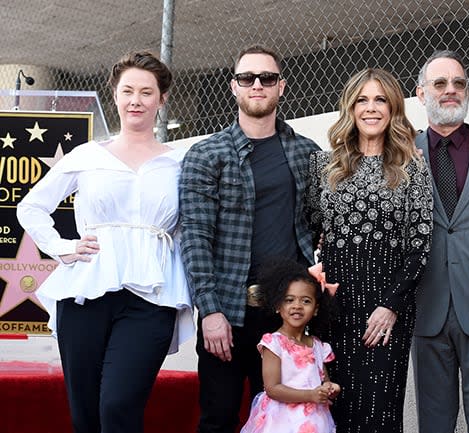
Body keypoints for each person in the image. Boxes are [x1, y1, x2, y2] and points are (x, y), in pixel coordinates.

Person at [16, 51, 194, 433]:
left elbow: (193, 228)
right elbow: (31, 207)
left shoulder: (181, 163)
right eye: (128, 90)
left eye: (147, 92)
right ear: (115, 95)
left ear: (162, 99)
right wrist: (63, 247)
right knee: (86, 415)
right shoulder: (88, 155)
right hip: (85, 292)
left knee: (118, 406)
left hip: (152, 296)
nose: (136, 100)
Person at [179, 45, 320, 433]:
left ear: (282, 87)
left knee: (287, 420)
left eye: (267, 78)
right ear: (234, 87)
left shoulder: (307, 153)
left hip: (286, 317)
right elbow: (195, 239)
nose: (257, 85)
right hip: (228, 314)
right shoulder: (206, 155)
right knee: (219, 417)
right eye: (247, 78)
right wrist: (210, 312)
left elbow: (318, 229)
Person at [307, 68, 433, 433]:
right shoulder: (323, 166)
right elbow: (312, 231)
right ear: (350, 107)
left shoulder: (412, 167)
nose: (371, 108)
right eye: (362, 99)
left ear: (393, 107)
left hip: (386, 310)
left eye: (380, 99)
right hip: (334, 308)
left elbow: (420, 246)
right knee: (333, 409)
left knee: (379, 412)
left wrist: (391, 306)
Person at [411, 50, 469, 433]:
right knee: (434, 421)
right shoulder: (401, 152)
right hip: (426, 302)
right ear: (420, 94)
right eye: (440, 83)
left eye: (459, 83)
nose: (451, 90)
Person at [239, 257, 340, 433]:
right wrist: (310, 395)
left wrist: (330, 389)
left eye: (306, 301)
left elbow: (324, 380)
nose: (297, 306)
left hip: (314, 420)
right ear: (278, 305)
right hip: (282, 421)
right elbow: (272, 388)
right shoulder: (274, 342)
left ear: (316, 309)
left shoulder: (317, 345)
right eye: (289, 300)